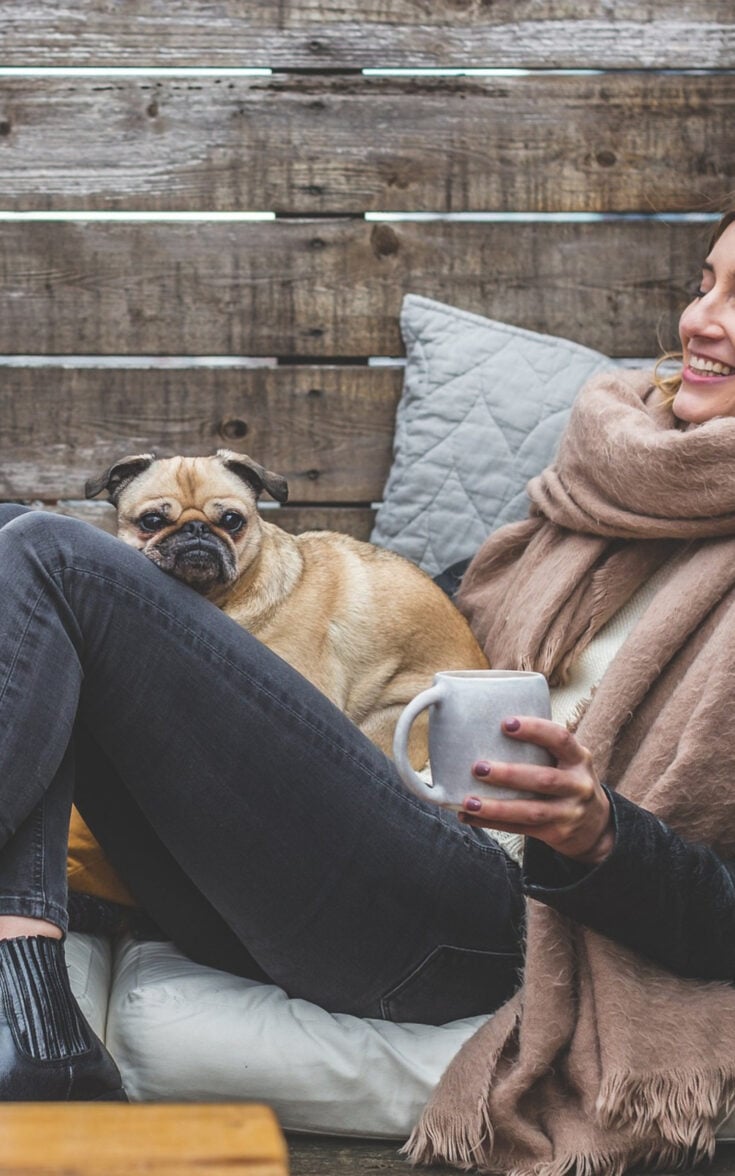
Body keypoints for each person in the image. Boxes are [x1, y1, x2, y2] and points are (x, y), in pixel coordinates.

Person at [0, 212, 734, 1170]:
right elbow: (442, 614)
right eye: (703, 282)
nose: (702, 321)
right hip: (348, 862)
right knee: (25, 545)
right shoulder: (614, 478)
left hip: (495, 924)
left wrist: (599, 833)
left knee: (55, 557)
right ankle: (33, 1009)